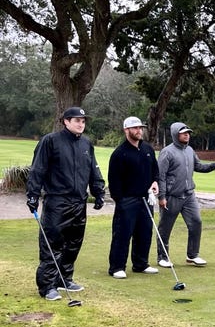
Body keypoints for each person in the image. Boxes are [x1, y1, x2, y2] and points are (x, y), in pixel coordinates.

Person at [26, 106, 106, 301]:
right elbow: (38, 169)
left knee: (73, 243)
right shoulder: (51, 141)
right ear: (66, 121)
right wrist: (33, 195)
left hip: (79, 202)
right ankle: (47, 286)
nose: (81, 124)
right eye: (77, 120)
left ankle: (64, 278)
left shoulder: (86, 144)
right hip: (57, 201)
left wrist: (98, 192)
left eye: (83, 121)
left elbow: (93, 170)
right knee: (52, 244)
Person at [156, 122, 215, 268]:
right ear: (175, 134)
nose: (187, 135)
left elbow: (198, 166)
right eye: (184, 132)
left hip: (189, 195)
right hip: (172, 196)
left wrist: (213, 166)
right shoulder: (167, 152)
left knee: (196, 222)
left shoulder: (189, 150)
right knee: (165, 228)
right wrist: (162, 196)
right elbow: (160, 176)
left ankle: (192, 255)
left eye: (188, 133)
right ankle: (162, 257)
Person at [107, 117, 160, 279]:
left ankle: (140, 264)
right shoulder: (119, 153)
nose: (139, 130)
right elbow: (114, 181)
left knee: (144, 232)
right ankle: (116, 267)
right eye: (135, 128)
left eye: (140, 128)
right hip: (127, 199)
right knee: (123, 233)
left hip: (146, 198)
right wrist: (120, 200)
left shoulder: (148, 149)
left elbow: (154, 171)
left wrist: (155, 183)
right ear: (126, 130)